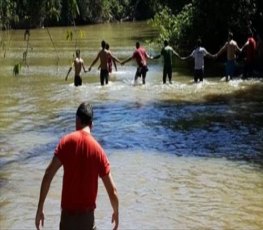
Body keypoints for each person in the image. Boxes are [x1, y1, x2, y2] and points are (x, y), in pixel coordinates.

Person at [35, 102, 119, 230]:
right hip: (87, 221)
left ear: (77, 120)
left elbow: (48, 175)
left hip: (67, 221)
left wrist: (40, 208)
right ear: (92, 125)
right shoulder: (98, 150)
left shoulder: (66, 142)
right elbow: (112, 191)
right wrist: (116, 212)